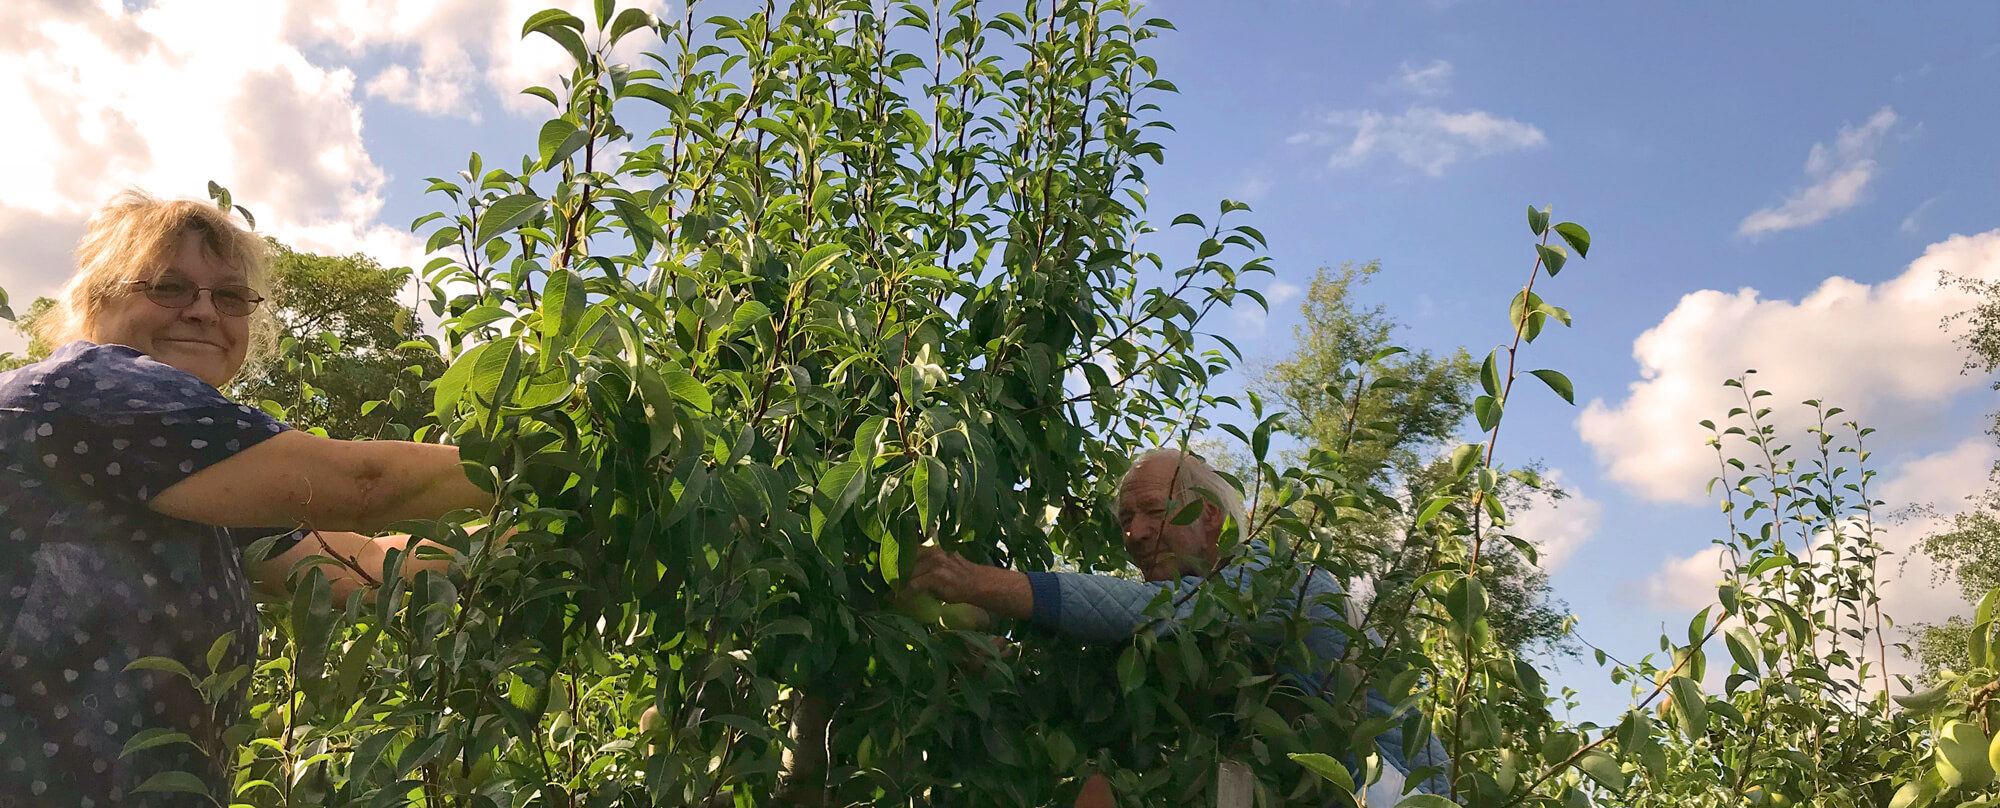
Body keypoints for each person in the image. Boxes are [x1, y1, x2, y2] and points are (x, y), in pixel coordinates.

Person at [0, 191, 499, 807]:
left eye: (229, 296)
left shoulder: (193, 481)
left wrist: (517, 531)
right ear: (97, 301)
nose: (204, 312)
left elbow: (366, 568)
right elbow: (361, 486)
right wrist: (570, 460)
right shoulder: (84, 390)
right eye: (170, 287)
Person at [907, 448, 1452, 805]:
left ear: (1209, 516)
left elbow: (1148, 612)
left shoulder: (1275, 574)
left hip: (1396, 792)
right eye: (1125, 521)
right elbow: (1110, 668)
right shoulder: (1188, 639)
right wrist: (1003, 659)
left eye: (1152, 512)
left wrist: (974, 582)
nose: (1136, 534)